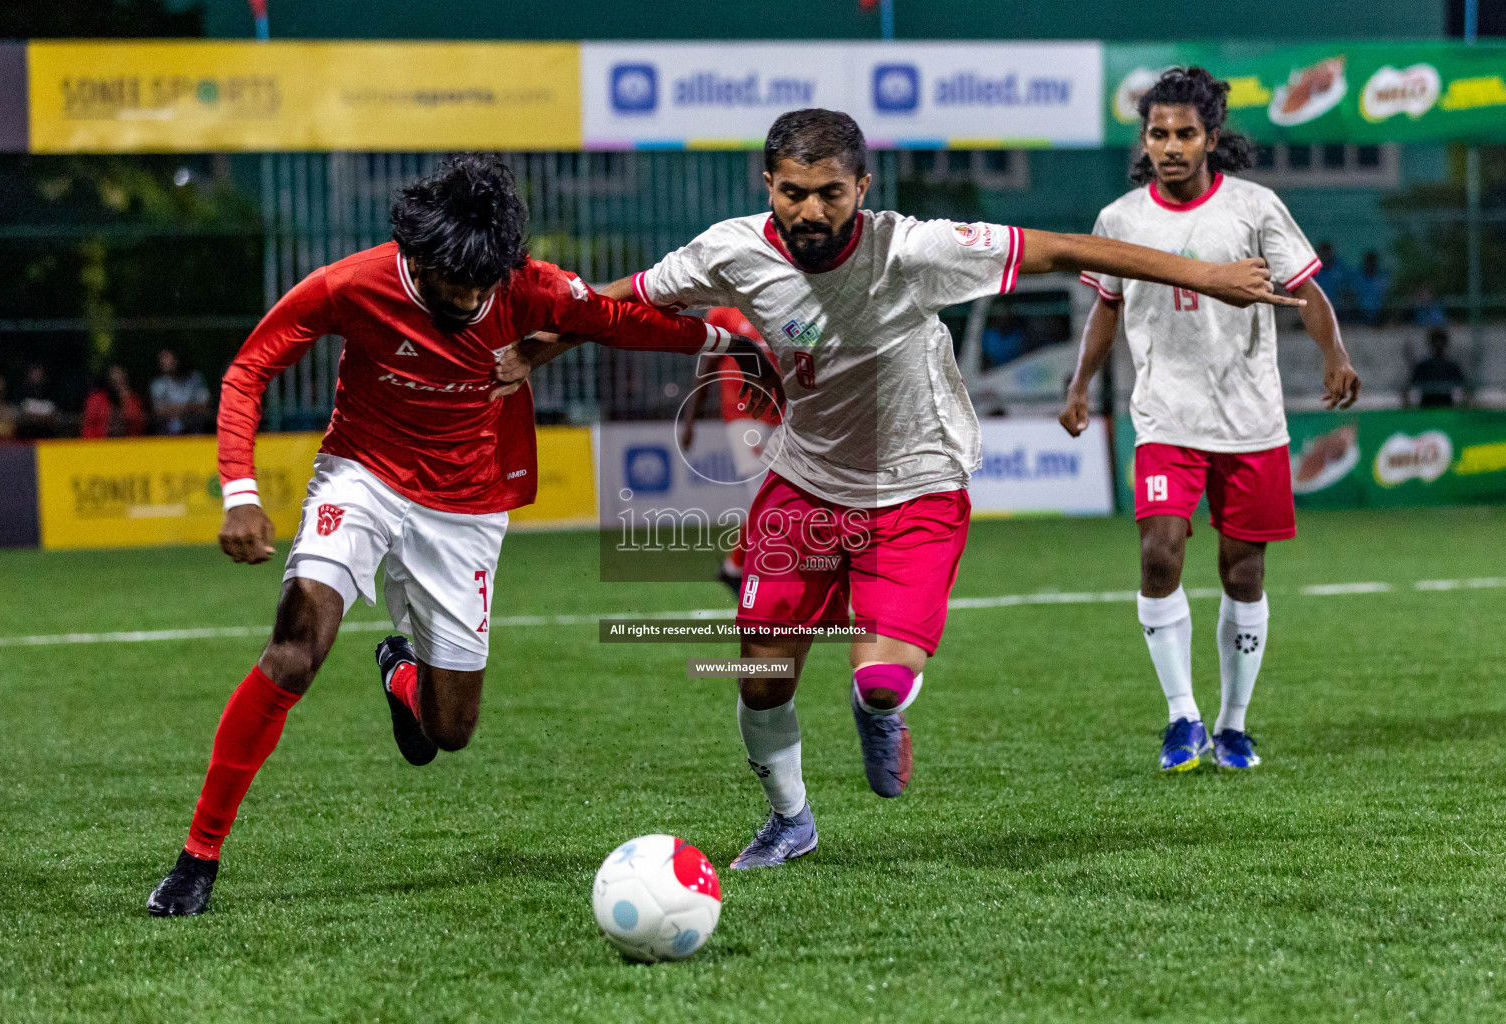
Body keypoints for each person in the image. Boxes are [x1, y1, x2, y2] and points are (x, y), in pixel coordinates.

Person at [499, 108, 1302, 869]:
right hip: (805, 484)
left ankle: (878, 713)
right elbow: (625, 298)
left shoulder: (916, 249)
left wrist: (1205, 274)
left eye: (830, 193)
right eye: (792, 191)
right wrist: (538, 350)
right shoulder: (731, 251)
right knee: (760, 675)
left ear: (863, 190)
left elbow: (1062, 250)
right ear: (767, 185)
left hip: (917, 485)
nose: (810, 210)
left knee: (880, 683)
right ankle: (789, 820)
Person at [144, 154, 761, 917]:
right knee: (295, 647)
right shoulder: (353, 284)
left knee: (451, 729)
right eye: (452, 281)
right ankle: (197, 859)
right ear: (415, 255)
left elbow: (616, 321)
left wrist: (725, 340)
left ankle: (400, 672)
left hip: (466, 507)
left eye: (483, 283)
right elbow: (250, 368)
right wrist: (240, 492)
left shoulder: (526, 285)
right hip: (362, 477)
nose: (470, 297)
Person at [1059, 67, 1360, 773]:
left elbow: (1304, 290)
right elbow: (1108, 306)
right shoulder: (1121, 220)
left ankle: (1232, 725)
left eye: (1184, 133)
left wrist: (1335, 353)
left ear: (1210, 138)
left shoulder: (1254, 208)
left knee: (1243, 572)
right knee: (1160, 553)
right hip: (1166, 417)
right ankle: (1181, 718)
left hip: (1251, 421)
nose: (1169, 146)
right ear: (1145, 139)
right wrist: (1080, 386)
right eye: (1157, 133)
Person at [676, 307, 783, 595]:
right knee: (765, 494)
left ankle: (734, 567)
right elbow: (707, 369)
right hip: (743, 417)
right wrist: (690, 420)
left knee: (777, 497)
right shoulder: (723, 314)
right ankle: (747, 569)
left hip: (780, 416)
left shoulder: (774, 304)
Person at [150, 349, 212, 435]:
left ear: (177, 359)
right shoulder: (159, 383)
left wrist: (178, 408)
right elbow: (158, 411)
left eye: (167, 359)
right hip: (167, 426)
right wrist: (184, 407)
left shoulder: (196, 379)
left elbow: (204, 406)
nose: (163, 362)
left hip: (192, 424)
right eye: (162, 359)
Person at [1407, 326, 1467, 408]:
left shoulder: (1452, 366)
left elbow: (1463, 389)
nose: (1438, 345)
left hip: (1447, 407)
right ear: (1430, 344)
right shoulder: (1423, 366)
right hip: (1426, 408)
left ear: (1446, 343)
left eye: (1441, 341)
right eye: (1435, 341)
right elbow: (1411, 387)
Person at [81, 365, 147, 439]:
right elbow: (89, 423)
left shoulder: (132, 399)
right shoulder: (96, 399)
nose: (116, 379)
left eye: (119, 376)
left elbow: (137, 421)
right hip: (98, 443)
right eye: (113, 375)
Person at [16, 364, 61, 439]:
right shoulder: (21, 395)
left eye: (39, 374)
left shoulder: (52, 396)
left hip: (47, 439)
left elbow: (55, 417)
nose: (37, 377)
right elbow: (21, 416)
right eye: (34, 374)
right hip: (26, 440)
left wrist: (33, 417)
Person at [1354, 250, 1389, 327]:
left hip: (1379, 317)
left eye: (1372, 261)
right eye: (1368, 261)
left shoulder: (1382, 279)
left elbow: (1385, 300)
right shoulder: (1357, 279)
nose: (1370, 264)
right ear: (1365, 262)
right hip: (1360, 317)